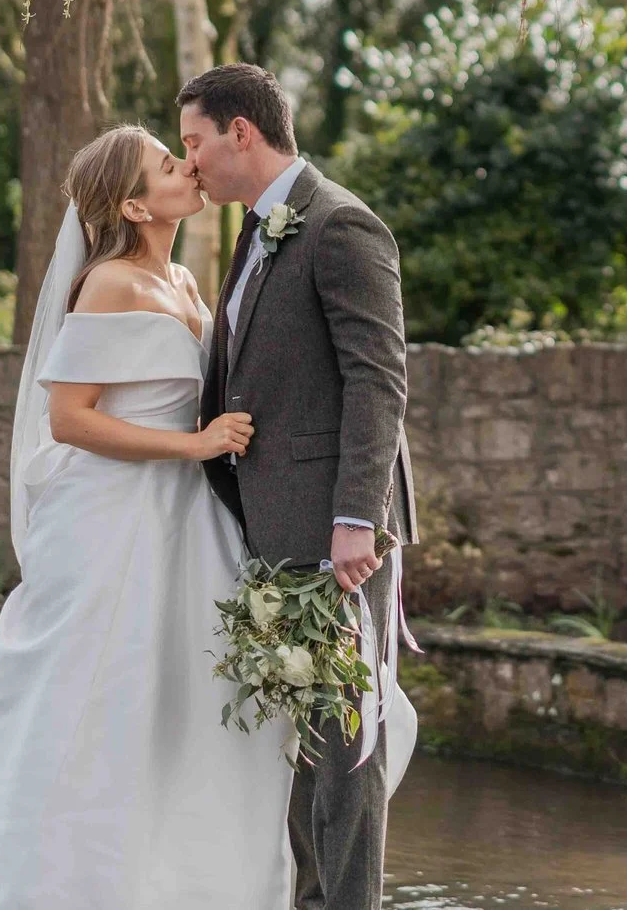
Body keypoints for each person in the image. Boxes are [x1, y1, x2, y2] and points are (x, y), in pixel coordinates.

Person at [0, 126, 292, 909]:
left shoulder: (192, 287)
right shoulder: (109, 283)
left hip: (186, 523)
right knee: (98, 700)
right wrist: (192, 442)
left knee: (182, 701)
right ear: (136, 203)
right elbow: (68, 418)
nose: (188, 166)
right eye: (170, 165)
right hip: (111, 522)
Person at [181, 63, 417, 910]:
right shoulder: (257, 228)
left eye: (195, 141)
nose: (191, 161)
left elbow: (379, 378)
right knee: (309, 739)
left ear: (242, 131)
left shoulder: (342, 224)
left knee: (347, 738)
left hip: (336, 532)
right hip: (278, 523)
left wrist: (359, 516)